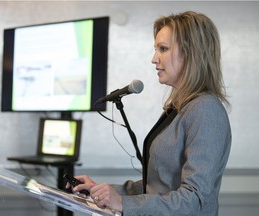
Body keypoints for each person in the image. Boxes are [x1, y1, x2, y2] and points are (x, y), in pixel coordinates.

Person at [66, 11, 232, 216]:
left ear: (191, 53)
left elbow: (194, 199)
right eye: (156, 49)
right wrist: (103, 191)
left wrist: (124, 204)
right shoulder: (180, 108)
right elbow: (158, 184)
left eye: (163, 49)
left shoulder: (205, 110)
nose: (154, 59)